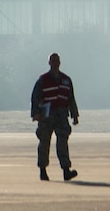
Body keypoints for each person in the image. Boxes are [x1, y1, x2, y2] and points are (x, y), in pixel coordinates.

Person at [31, 52, 80, 181]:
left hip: (62, 115)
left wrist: (74, 115)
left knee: (63, 142)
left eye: (57, 61)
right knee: (44, 142)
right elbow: (35, 97)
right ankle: (43, 170)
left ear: (60, 62)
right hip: (46, 116)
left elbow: (71, 99)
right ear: (49, 63)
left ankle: (66, 170)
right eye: (53, 61)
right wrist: (36, 113)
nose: (55, 63)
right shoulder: (43, 79)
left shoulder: (66, 80)